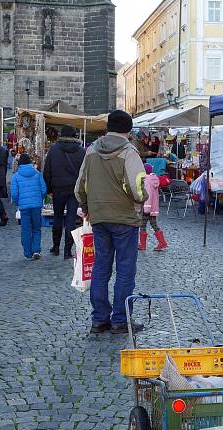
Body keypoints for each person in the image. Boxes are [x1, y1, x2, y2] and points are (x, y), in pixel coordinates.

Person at [75, 110, 147, 334]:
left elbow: (80, 187)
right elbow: (137, 188)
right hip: (125, 218)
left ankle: (99, 319)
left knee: (100, 267)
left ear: (108, 128)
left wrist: (87, 209)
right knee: (125, 270)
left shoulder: (92, 151)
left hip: (98, 218)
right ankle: (120, 319)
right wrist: (143, 197)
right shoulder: (129, 152)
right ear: (128, 130)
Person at [43, 124, 86, 258]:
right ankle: (67, 250)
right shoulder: (81, 151)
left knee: (57, 216)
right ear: (75, 135)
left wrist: (48, 189)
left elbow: (47, 171)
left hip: (58, 188)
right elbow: (85, 173)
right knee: (71, 219)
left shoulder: (54, 149)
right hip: (74, 189)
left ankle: (56, 247)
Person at [11, 154, 47, 260]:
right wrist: (40, 199)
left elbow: (14, 194)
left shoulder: (16, 176)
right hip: (36, 205)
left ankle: (27, 253)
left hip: (24, 207)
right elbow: (43, 189)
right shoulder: (37, 174)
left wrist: (19, 203)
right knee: (36, 228)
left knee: (26, 229)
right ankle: (36, 250)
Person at [139, 163, 167, 251]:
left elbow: (148, 195)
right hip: (153, 207)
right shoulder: (153, 179)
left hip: (147, 207)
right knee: (153, 224)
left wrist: (146, 208)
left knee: (142, 225)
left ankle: (143, 245)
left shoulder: (147, 181)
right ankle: (162, 242)